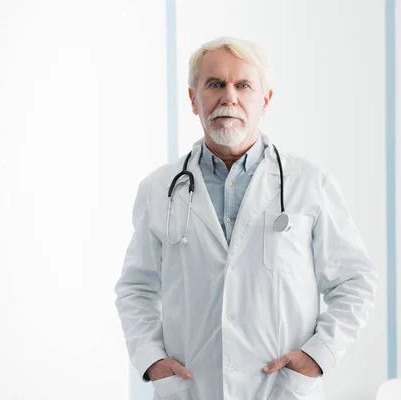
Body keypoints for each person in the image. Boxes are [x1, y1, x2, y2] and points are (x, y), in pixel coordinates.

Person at [114, 36, 377, 400]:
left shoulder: (310, 184)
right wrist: (151, 359)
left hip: (281, 388)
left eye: (243, 85)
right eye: (215, 84)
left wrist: (317, 356)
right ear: (193, 99)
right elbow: (135, 288)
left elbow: (355, 281)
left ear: (264, 99)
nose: (229, 97)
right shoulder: (158, 189)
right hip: (192, 387)